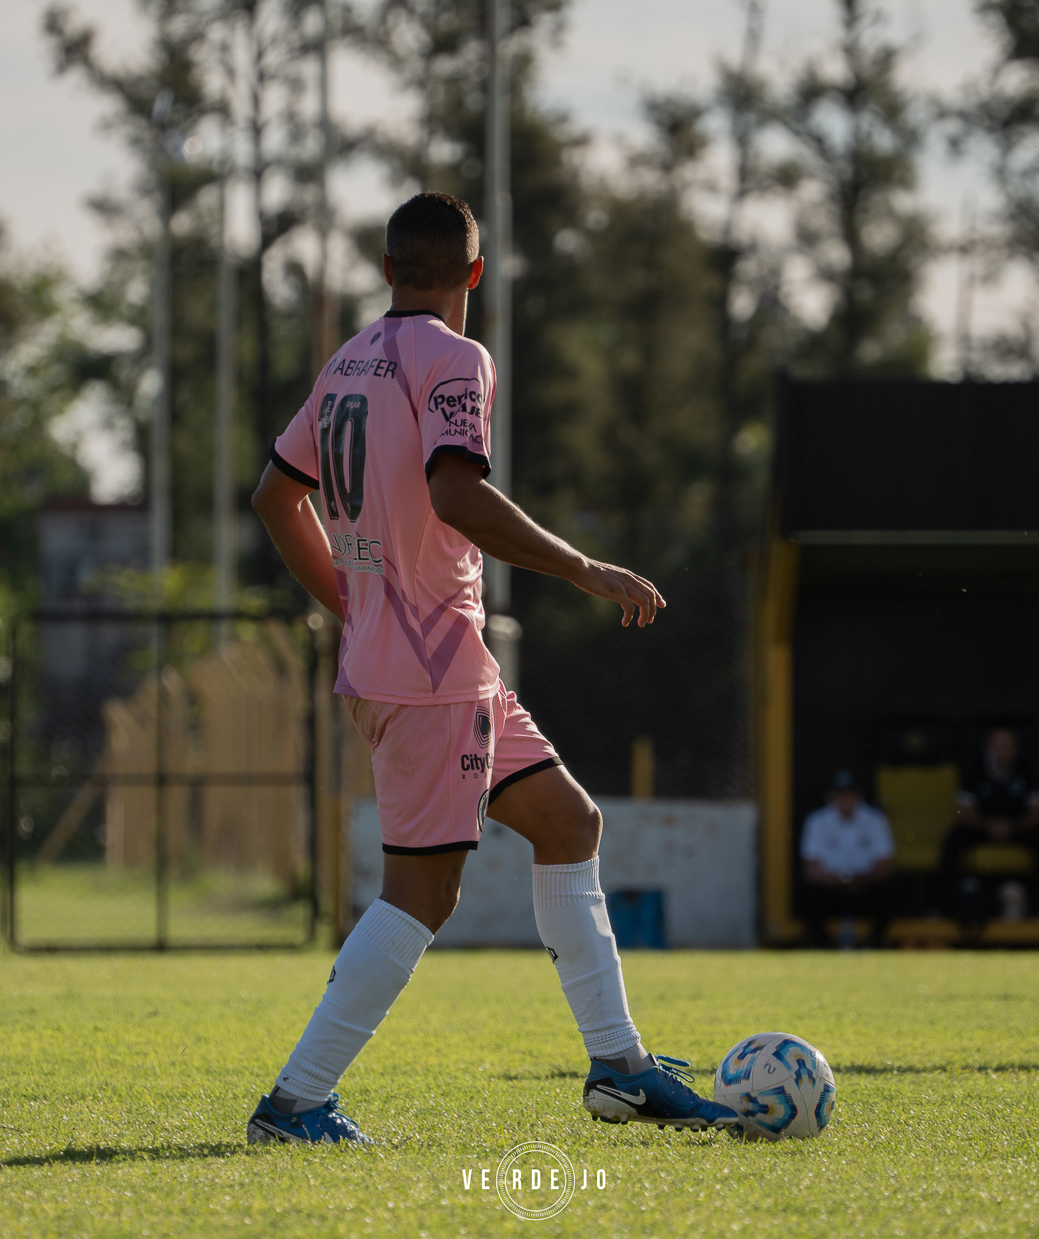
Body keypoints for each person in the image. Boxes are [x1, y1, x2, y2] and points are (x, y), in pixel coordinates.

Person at [244, 193, 738, 1144]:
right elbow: (455, 490)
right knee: (421, 895)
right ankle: (296, 1102)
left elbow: (275, 496)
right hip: (430, 674)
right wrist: (584, 567)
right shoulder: (457, 358)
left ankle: (621, 1068)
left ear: (388, 268)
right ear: (475, 275)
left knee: (568, 822)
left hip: (435, 667)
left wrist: (350, 604)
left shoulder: (346, 361)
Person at [939, 726, 1039, 931]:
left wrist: (1013, 827)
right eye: (998, 747)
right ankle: (944, 905)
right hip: (982, 828)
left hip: (1018, 828)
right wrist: (988, 825)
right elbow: (962, 811)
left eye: (1008, 747)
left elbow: (1038, 813)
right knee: (954, 839)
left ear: (1016, 749)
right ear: (987, 748)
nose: (1003, 752)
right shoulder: (974, 770)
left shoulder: (1027, 770)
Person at [798, 769, 896, 948]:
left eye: (849, 794)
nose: (844, 799)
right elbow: (811, 868)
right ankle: (825, 944)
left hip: (865, 889)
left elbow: (884, 865)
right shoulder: (817, 821)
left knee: (890, 889)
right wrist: (837, 880)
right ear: (830, 797)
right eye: (839, 794)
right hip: (830, 890)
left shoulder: (875, 820)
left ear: (858, 796)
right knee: (806, 891)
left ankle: (872, 943)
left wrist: (858, 879)